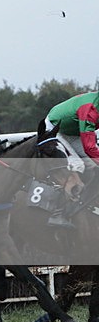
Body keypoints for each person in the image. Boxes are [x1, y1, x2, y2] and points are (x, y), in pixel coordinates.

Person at [43, 91, 99, 227]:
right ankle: (58, 213)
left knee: (93, 166)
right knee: (78, 165)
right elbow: (89, 148)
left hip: (73, 131)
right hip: (55, 129)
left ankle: (86, 202)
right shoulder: (89, 109)